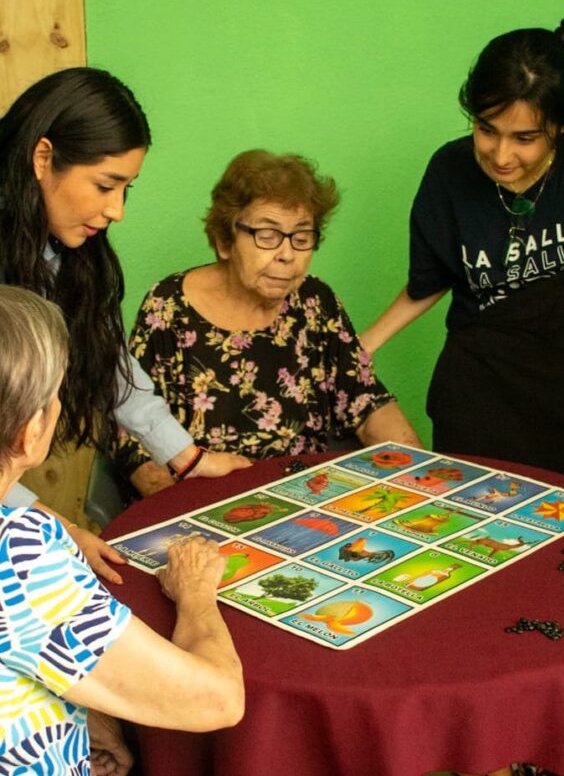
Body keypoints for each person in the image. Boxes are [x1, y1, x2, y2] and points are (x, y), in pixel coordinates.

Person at [360, 17, 564, 486]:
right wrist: (363, 346)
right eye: (486, 129)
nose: (500, 154)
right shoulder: (449, 170)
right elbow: (430, 278)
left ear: (562, 126)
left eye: (525, 138)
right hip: (474, 403)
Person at [0, 67, 251, 582]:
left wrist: (185, 457)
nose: (116, 210)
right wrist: (50, 526)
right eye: (105, 185)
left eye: (126, 189)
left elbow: (107, 355)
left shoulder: (66, 248)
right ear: (43, 158)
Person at [0, 285, 244, 774]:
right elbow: (218, 699)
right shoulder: (20, 550)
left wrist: (86, 714)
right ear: (30, 431)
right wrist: (195, 591)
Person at [114, 149, 422, 497]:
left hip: (309, 497)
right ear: (225, 240)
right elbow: (131, 437)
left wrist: (425, 477)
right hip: (205, 500)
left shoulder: (314, 302)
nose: (287, 254)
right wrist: (185, 514)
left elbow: (367, 404)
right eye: (267, 235)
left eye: (302, 238)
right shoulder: (169, 308)